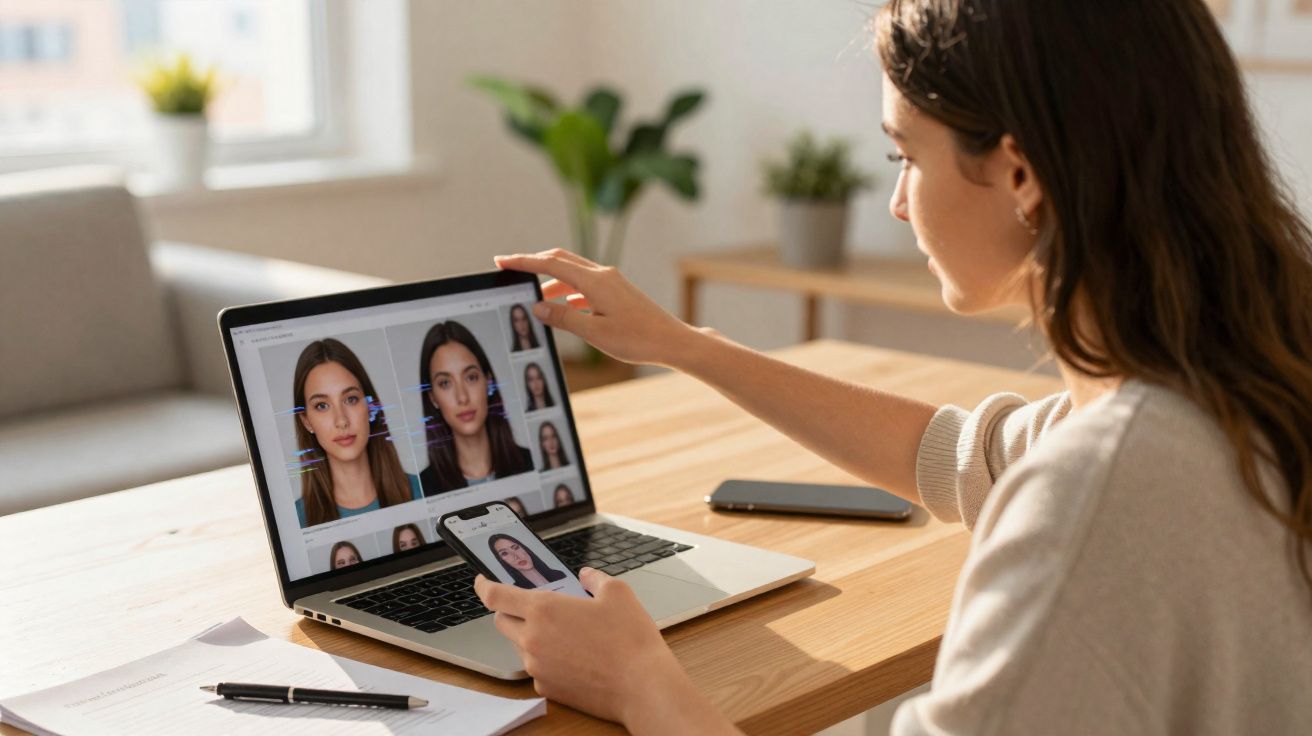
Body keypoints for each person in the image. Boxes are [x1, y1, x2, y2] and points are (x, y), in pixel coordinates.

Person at [471, 1, 1312, 733]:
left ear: (1020, 173)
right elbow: (954, 455)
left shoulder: (1101, 489)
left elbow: (1063, 486)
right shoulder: (1230, 379)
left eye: (903, 155)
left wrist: (641, 684)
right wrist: (681, 344)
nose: (898, 201)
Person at [292, 338, 422, 528]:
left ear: (370, 407)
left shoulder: (423, 490)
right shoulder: (296, 521)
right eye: (322, 405)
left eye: (350, 399)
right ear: (306, 421)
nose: (342, 421)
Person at [417, 320, 533, 494]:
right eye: (445, 383)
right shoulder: (423, 489)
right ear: (433, 398)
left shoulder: (531, 463)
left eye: (471, 378)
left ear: (489, 382)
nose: (462, 397)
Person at [489, 533, 567, 590]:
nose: (516, 556)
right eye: (505, 553)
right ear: (502, 560)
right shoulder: (517, 592)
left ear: (524, 548)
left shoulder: (559, 575)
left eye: (515, 547)